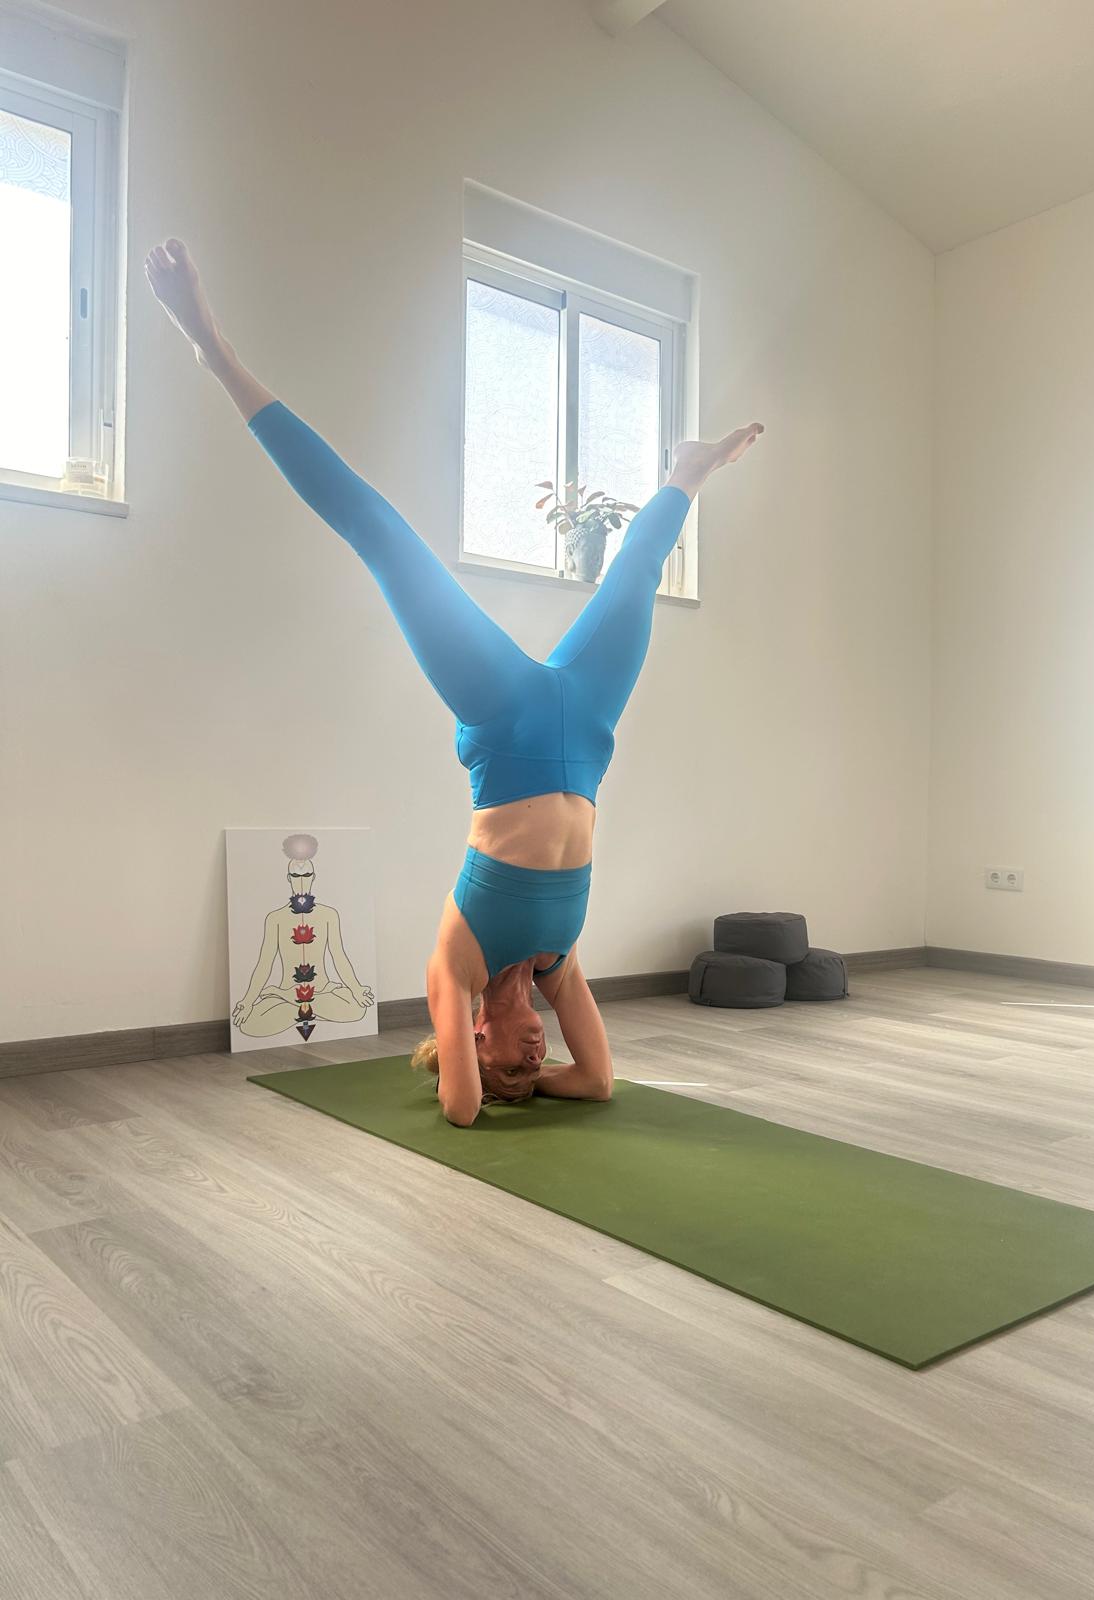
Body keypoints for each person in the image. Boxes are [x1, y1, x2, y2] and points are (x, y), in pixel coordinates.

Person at [145, 238, 762, 1126]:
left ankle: (216, 352)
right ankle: (685, 473)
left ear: (475, 1036)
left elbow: (465, 1111)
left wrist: (491, 1086)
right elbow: (598, 1082)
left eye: (514, 1060)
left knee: (383, 538)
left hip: (506, 726)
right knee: (635, 581)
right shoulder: (557, 967)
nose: (535, 1055)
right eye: (532, 1065)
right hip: (586, 733)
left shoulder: (456, 969)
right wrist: (540, 1085)